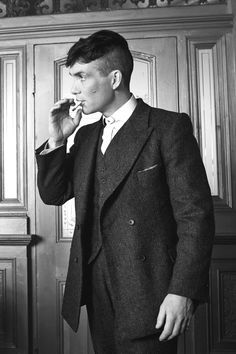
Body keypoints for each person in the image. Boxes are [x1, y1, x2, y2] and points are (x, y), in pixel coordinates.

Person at [36, 30, 215, 354]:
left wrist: (182, 291)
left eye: (81, 76)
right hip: (97, 287)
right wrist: (58, 140)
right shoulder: (87, 135)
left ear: (114, 77)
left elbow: (195, 217)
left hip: (151, 290)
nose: (74, 88)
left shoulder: (167, 127)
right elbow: (54, 194)